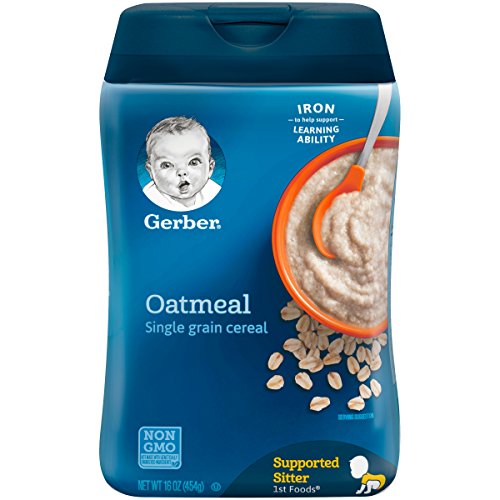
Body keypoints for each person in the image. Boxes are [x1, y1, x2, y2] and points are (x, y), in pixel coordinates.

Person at [143, 116, 221, 211]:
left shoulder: (213, 191)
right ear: (151, 171)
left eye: (193, 162)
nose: (181, 172)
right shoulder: (149, 199)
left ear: (210, 168)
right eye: (167, 165)